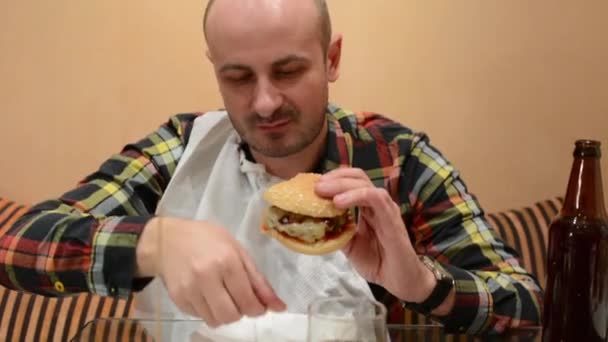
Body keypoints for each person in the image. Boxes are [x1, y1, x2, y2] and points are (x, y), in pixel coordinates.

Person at [0, 0, 542, 336]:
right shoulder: (180, 150)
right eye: (238, 78)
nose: (264, 103)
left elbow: (526, 308)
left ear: (331, 59)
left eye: (288, 71)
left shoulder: (401, 160)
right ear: (215, 70)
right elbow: (16, 244)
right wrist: (155, 242)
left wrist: (423, 284)